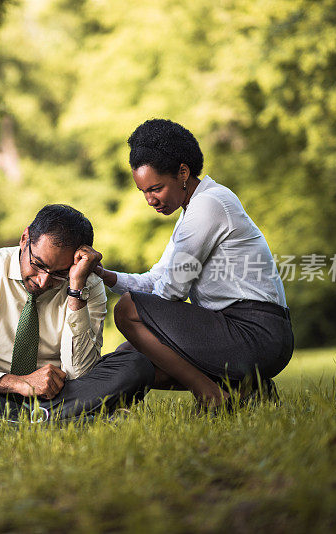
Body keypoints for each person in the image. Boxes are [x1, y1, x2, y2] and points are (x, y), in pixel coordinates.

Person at [94, 119, 294, 410]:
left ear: (183, 172)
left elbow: (171, 291)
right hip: (233, 330)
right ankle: (247, 389)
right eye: (144, 192)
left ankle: (212, 397)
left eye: (156, 188)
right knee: (131, 355)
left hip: (256, 333)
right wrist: (104, 275)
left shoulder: (208, 206)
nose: (150, 200)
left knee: (127, 311)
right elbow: (157, 280)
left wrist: (145, 324)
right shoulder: (190, 214)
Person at [0, 204, 155, 422]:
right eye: (38, 265)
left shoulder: (87, 284)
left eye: (58, 274)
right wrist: (16, 383)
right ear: (25, 239)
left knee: (136, 365)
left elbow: (81, 373)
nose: (43, 281)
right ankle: (54, 420)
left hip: (61, 395)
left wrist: (75, 290)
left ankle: (18, 421)